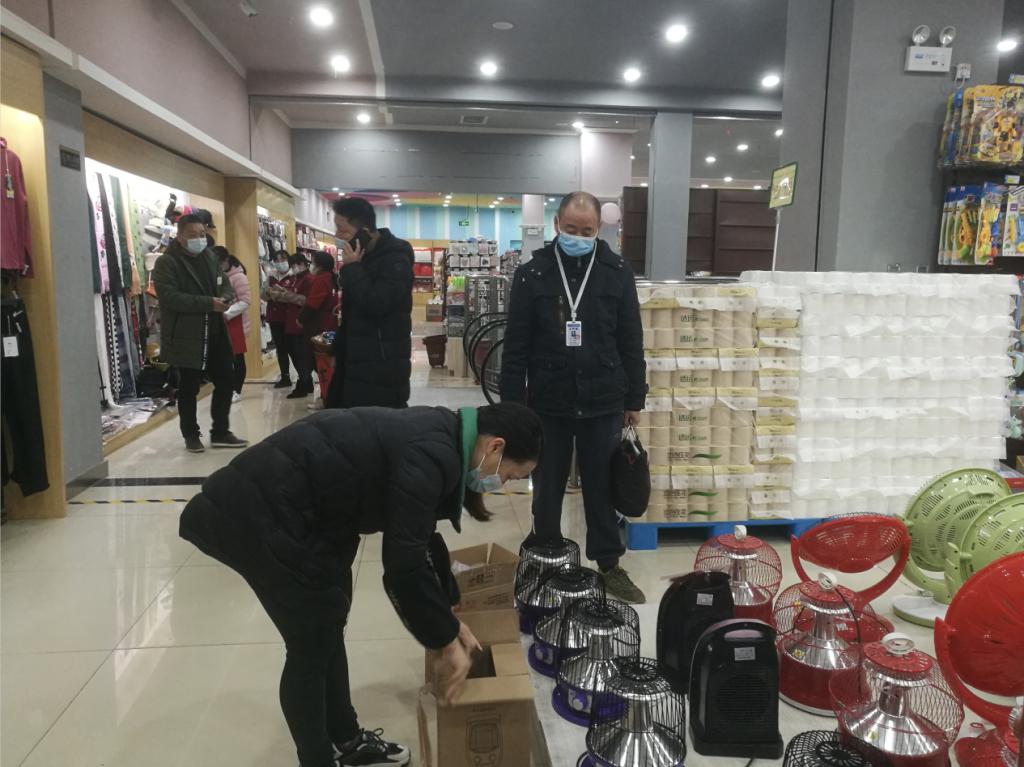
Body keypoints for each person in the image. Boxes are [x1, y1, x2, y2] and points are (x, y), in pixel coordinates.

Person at [178, 402, 543, 767]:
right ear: (495, 446)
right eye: (511, 476)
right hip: (259, 514)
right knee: (310, 645)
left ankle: (347, 740)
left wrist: (448, 610)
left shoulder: (445, 439)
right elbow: (403, 567)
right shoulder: (432, 452)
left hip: (302, 514)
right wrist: (445, 641)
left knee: (327, 623)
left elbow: (419, 535)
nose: (503, 484)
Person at [500, 191, 647, 604]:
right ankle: (545, 556)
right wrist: (512, 408)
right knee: (547, 485)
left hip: (604, 398)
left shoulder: (617, 272)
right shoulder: (533, 274)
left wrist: (634, 398)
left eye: (587, 230)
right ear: (556, 225)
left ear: (599, 228)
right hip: (548, 399)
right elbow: (516, 345)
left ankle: (609, 564)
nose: (578, 236)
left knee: (601, 485)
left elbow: (631, 340)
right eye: (570, 229)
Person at [152, 213, 248, 452]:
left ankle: (220, 432)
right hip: (187, 335)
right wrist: (208, 303)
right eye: (192, 235)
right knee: (189, 387)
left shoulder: (210, 257)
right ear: (180, 236)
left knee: (226, 380)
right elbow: (170, 297)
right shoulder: (167, 263)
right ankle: (191, 434)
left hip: (216, 331)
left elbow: (224, 284)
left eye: (202, 234)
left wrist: (225, 298)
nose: (199, 239)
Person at [328, 197, 414, 409]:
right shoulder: (363, 257)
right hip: (354, 361)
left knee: (374, 424)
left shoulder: (396, 260)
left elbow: (377, 303)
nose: (337, 235)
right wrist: (338, 350)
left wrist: (352, 269)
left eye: (343, 230)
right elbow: (351, 313)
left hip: (382, 366)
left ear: (365, 232)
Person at [298, 250, 340, 407]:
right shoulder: (332, 279)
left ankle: (326, 398)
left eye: (313, 262)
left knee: (321, 363)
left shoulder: (321, 280)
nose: (311, 266)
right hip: (330, 324)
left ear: (320, 266)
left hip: (319, 327)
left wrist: (301, 319)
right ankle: (328, 396)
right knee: (327, 362)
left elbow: (313, 303)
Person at [214, 246, 251, 402]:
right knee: (223, 358)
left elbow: (246, 301)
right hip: (221, 320)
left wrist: (226, 314)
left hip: (235, 321)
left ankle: (237, 389)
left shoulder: (239, 277)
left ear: (226, 260)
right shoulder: (218, 275)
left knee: (237, 357)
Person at [277, 254, 315, 400]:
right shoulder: (297, 279)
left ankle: (303, 383)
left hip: (300, 324)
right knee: (295, 354)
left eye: (294, 265)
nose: (293, 268)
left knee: (301, 356)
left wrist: (287, 295)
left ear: (303, 264)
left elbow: (306, 300)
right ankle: (306, 382)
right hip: (292, 322)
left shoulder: (308, 279)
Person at [264, 249, 295, 388]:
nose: (280, 262)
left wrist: (278, 296)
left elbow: (295, 297)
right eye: (277, 260)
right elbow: (262, 293)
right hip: (275, 317)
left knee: (293, 349)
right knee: (280, 348)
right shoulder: (271, 276)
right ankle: (285, 376)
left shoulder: (294, 275)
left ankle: (303, 378)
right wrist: (268, 294)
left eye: (283, 259)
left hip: (290, 317)